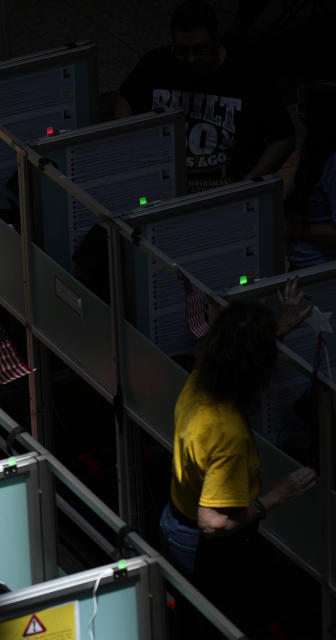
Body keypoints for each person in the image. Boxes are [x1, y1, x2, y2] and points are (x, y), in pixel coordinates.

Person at [158, 280, 316, 636]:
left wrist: (280, 327)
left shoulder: (201, 378)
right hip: (208, 547)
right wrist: (279, 494)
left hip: (174, 519)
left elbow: (234, 352)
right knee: (219, 625)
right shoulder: (225, 431)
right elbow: (212, 524)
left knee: (190, 619)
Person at [115, 0, 295, 193]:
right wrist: (132, 152)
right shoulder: (157, 64)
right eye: (182, 51)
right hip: (165, 187)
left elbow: (283, 139)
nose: (191, 59)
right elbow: (125, 97)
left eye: (200, 50)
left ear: (217, 40)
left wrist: (246, 187)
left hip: (226, 190)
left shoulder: (248, 75)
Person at [285, 82, 336, 268]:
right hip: (303, 268)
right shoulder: (316, 154)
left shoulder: (333, 164)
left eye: (301, 107)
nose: (297, 113)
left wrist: (296, 230)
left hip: (321, 274)